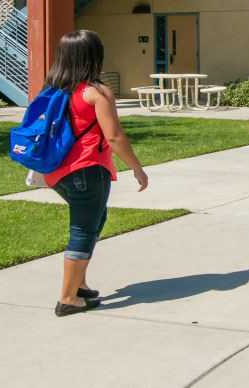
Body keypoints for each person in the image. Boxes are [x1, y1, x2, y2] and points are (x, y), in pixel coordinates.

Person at [42, 30, 149, 317]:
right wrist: (137, 169)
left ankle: (79, 285)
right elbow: (114, 138)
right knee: (83, 230)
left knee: (95, 220)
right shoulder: (96, 92)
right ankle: (67, 298)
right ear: (93, 55)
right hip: (87, 171)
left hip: (58, 173)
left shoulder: (54, 89)